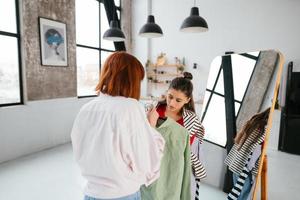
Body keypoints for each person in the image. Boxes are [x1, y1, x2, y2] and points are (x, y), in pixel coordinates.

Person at [71, 52, 165, 200]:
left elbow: (80, 151)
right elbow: (147, 164)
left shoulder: (87, 108)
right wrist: (150, 127)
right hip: (122, 194)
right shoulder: (130, 107)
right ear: (131, 81)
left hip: (91, 193)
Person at [156, 72, 207, 200]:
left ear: (187, 100)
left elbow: (187, 148)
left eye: (178, 100)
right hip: (153, 161)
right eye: (170, 97)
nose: (172, 103)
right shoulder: (155, 110)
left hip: (173, 166)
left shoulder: (192, 121)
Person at [225, 107, 270, 200]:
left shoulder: (254, 121)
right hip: (245, 166)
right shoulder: (264, 129)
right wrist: (253, 170)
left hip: (237, 163)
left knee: (237, 193)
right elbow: (257, 151)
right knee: (242, 194)